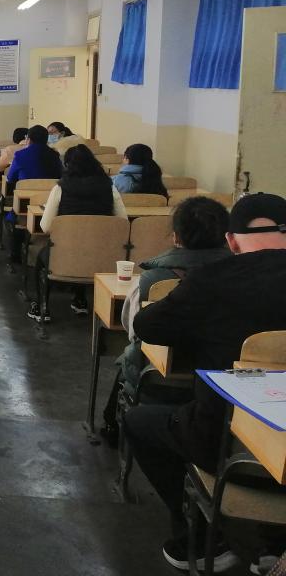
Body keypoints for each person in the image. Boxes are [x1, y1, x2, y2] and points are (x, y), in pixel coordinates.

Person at [123, 193, 286, 572]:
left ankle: (200, 532)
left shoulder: (214, 281)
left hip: (227, 447)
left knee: (140, 422)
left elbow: (147, 327)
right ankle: (274, 543)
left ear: (231, 241)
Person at [109, 197, 231, 418]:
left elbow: (133, 330)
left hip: (157, 382)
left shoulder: (150, 281)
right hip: (224, 391)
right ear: (227, 237)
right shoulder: (243, 278)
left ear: (175, 237)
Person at [28, 144, 128, 321]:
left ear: (67, 165)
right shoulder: (109, 187)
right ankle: (80, 300)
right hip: (102, 254)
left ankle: (42, 307)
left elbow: (45, 227)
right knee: (87, 247)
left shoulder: (61, 188)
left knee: (42, 258)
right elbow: (123, 223)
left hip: (66, 254)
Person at [5, 124, 63, 265]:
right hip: (50, 204)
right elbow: (60, 177)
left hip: (26, 204)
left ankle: (15, 255)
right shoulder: (55, 156)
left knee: (14, 217)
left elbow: (10, 178)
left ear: (28, 139)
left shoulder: (20, 155)